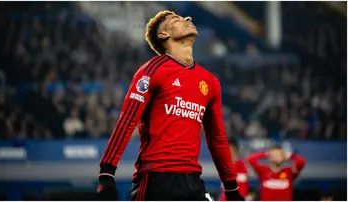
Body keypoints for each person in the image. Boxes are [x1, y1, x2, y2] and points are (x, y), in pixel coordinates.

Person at [97, 10, 244, 201]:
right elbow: (127, 119)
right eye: (177, 19)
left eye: (186, 17)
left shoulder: (210, 82)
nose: (188, 18)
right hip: (156, 179)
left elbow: (216, 138)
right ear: (163, 34)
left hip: (193, 181)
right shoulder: (152, 71)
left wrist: (231, 188)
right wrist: (107, 172)